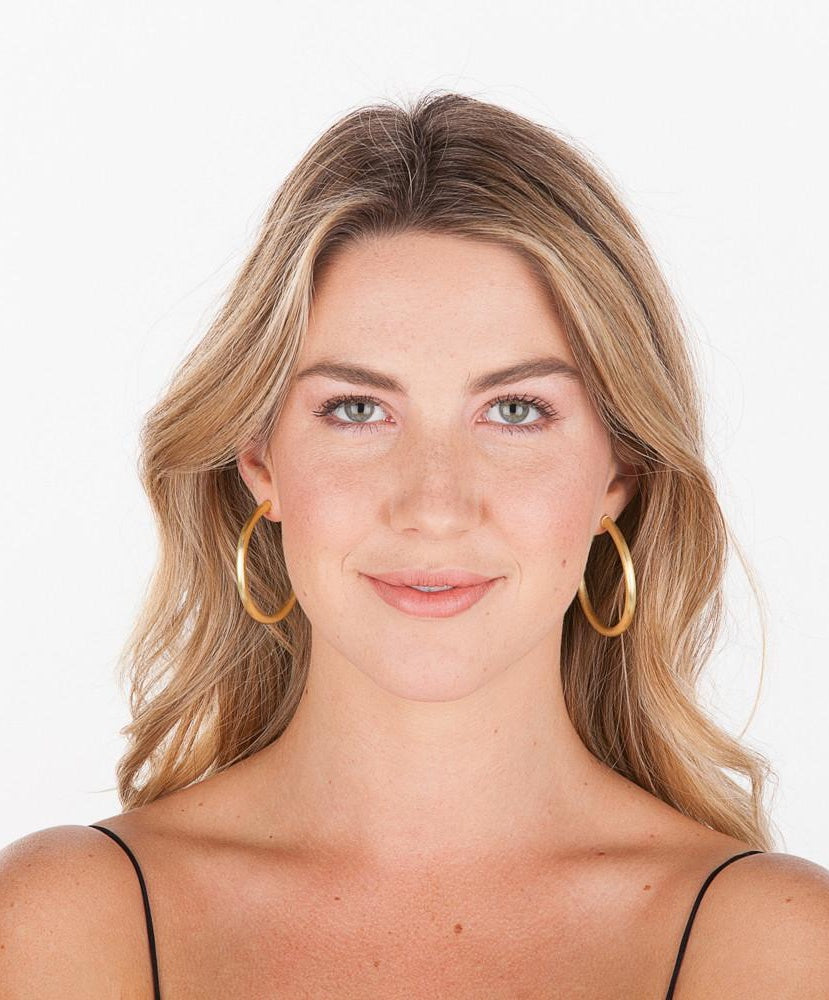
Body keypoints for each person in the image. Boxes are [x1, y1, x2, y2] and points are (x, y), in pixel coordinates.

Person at [2, 90, 828, 999]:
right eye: (357, 409)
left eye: (516, 411)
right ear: (260, 460)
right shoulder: (66, 920)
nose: (433, 506)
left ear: (618, 474)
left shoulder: (772, 942)